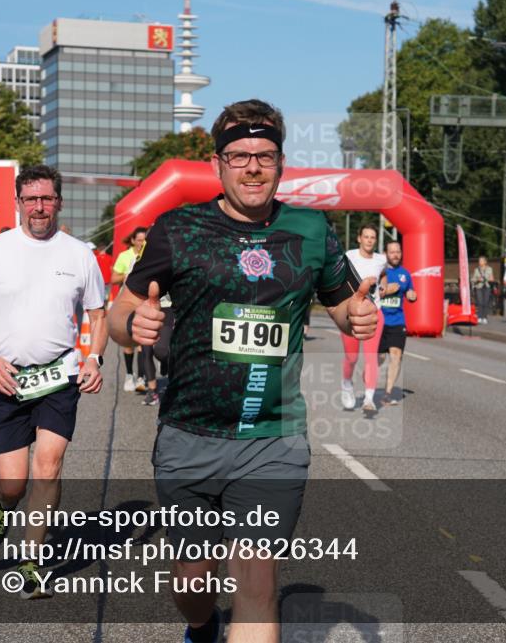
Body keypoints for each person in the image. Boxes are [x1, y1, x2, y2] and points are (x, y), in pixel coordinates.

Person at [109, 99, 378, 643]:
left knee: (256, 581)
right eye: (239, 156)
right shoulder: (178, 228)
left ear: (281, 164)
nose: (252, 167)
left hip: (272, 439)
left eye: (264, 155)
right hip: (189, 434)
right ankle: (202, 627)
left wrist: (360, 316)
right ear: (217, 163)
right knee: (192, 580)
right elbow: (120, 313)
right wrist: (130, 326)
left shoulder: (310, 229)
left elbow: (346, 308)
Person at [0, 164, 108, 599]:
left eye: (46, 199)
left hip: (58, 377)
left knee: (49, 465)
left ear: (58, 202)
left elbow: (98, 315)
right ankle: (3, 508)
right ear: (18, 202)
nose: (39, 207)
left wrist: (94, 358)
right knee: (13, 484)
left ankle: (32, 562)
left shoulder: (79, 254)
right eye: (31, 199)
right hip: (7, 382)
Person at [341, 225, 387, 413]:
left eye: (372, 237)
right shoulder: (349, 256)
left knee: (371, 357)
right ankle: (346, 383)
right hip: (351, 314)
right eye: (366, 236)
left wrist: (382, 286)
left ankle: (369, 399)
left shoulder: (380, 260)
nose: (369, 240)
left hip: (375, 312)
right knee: (351, 358)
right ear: (359, 238)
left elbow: (383, 275)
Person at [377, 241, 417, 405]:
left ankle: (387, 393)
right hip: (379, 320)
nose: (395, 255)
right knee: (378, 358)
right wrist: (386, 290)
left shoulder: (405, 274)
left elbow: (410, 292)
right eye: (392, 252)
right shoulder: (379, 271)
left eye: (398, 252)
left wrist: (412, 295)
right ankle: (369, 375)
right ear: (386, 253)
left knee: (396, 355)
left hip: (397, 321)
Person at [111, 227, 149, 394]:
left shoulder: (150, 254)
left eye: (144, 240)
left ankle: (141, 377)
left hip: (144, 301)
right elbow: (113, 278)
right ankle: (128, 375)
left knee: (142, 341)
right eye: (139, 240)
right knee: (128, 342)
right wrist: (126, 274)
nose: (142, 243)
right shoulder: (125, 256)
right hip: (126, 302)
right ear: (133, 240)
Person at [473, 255, 494, 325]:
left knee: (485, 302)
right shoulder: (476, 269)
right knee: (480, 302)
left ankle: (484, 317)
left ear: (485, 262)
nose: (480, 262)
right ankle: (479, 317)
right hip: (479, 286)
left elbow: (492, 278)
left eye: (481, 260)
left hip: (487, 286)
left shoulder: (489, 269)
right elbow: (473, 279)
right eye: (479, 261)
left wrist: (487, 279)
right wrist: (478, 279)